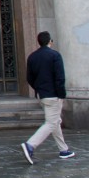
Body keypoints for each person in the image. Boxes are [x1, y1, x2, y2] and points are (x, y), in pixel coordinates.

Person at [20, 31, 75, 165]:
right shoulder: (55, 55)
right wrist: (61, 94)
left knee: (55, 120)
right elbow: (60, 77)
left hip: (42, 94)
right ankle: (30, 145)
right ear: (50, 41)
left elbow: (30, 78)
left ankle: (63, 149)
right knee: (51, 123)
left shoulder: (32, 57)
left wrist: (38, 89)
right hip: (53, 95)